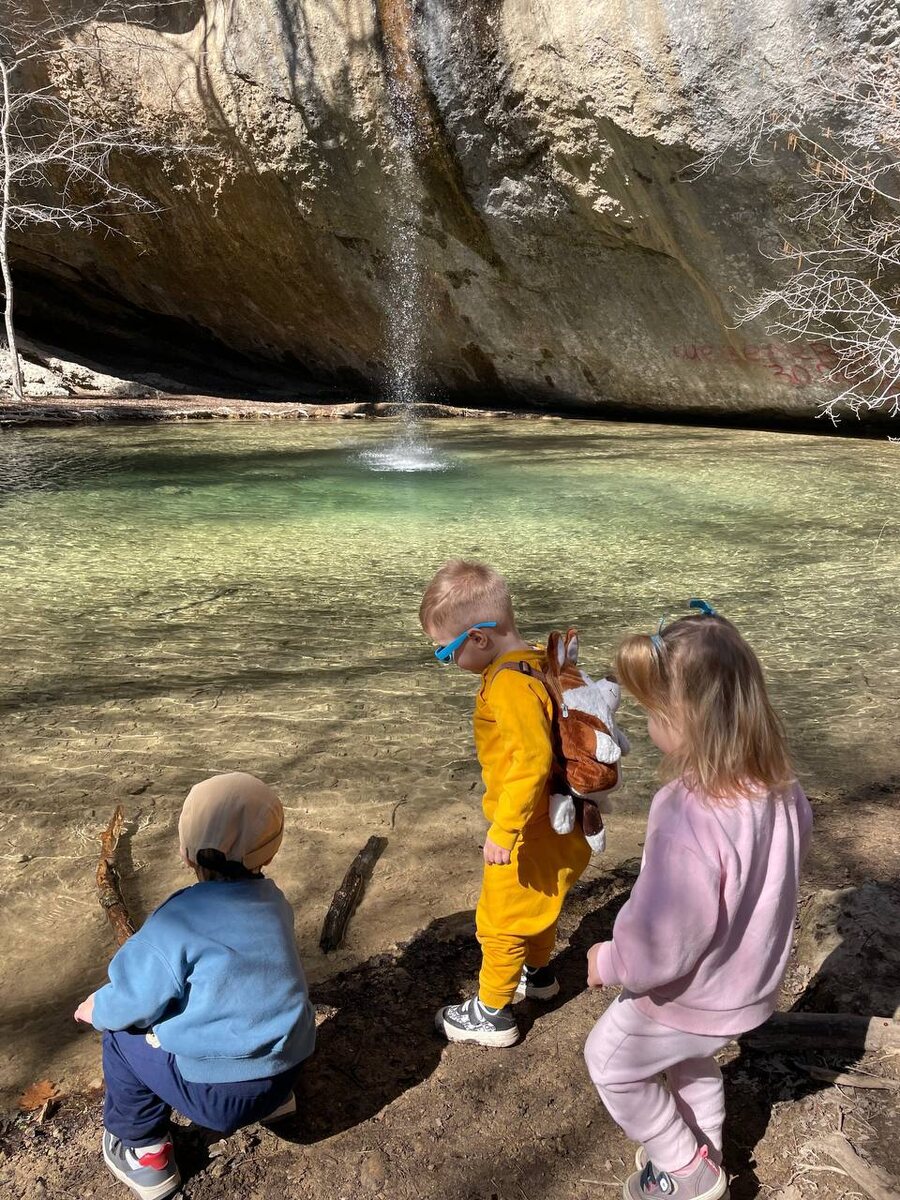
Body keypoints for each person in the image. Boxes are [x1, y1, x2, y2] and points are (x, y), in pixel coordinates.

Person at [584, 606, 812, 1200]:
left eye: (653, 712)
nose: (646, 723)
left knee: (610, 1059)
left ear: (686, 719)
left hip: (694, 993)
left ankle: (687, 1170)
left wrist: (611, 961)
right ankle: (702, 1141)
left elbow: (666, 938)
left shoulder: (685, 810)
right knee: (691, 1062)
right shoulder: (783, 790)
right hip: (748, 988)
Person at [74, 772, 315, 1200]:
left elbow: (133, 1000)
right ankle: (277, 1103)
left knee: (120, 1037)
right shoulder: (275, 901)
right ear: (271, 852)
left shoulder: (177, 920)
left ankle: (145, 1153)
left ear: (185, 853)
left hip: (219, 1098)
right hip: (288, 1065)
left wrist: (97, 1007)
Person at [420, 559, 591, 1047]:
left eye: (445, 651)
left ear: (478, 638)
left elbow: (532, 760)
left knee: (498, 920)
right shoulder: (535, 661)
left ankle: (492, 1013)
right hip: (556, 819)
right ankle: (537, 975)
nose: (447, 661)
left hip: (527, 826)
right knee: (537, 903)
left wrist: (504, 829)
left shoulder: (509, 684)